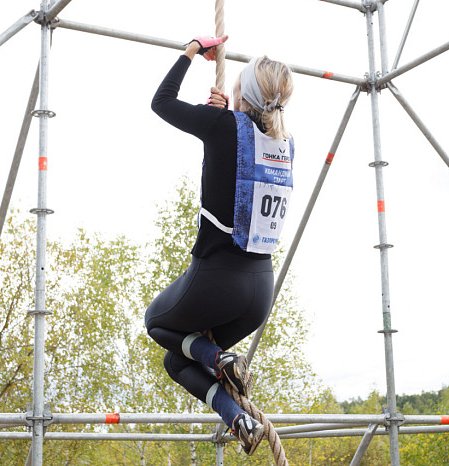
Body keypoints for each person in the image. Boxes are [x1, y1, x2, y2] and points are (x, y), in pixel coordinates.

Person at [144, 35, 294, 455]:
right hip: (259, 292)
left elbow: (162, 101)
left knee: (156, 322)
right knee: (178, 361)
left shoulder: (221, 126)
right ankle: (238, 417)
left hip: (217, 280)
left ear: (241, 92)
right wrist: (223, 120)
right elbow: (241, 153)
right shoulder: (284, 145)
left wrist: (192, 50)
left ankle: (218, 360)